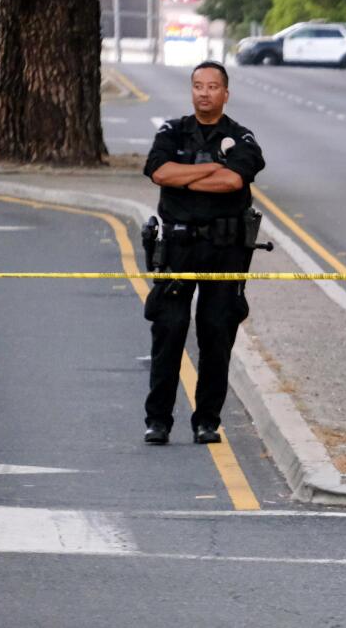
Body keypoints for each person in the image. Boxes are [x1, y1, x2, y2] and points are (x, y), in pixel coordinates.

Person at [141, 61, 265, 445]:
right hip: (177, 246)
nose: (204, 93)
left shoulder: (241, 138)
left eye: (213, 87)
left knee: (215, 333)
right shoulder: (172, 130)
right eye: (198, 86)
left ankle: (206, 420)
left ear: (226, 93)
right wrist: (210, 166)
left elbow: (233, 181)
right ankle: (158, 420)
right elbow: (159, 172)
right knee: (170, 330)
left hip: (224, 249)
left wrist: (187, 174)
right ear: (191, 90)